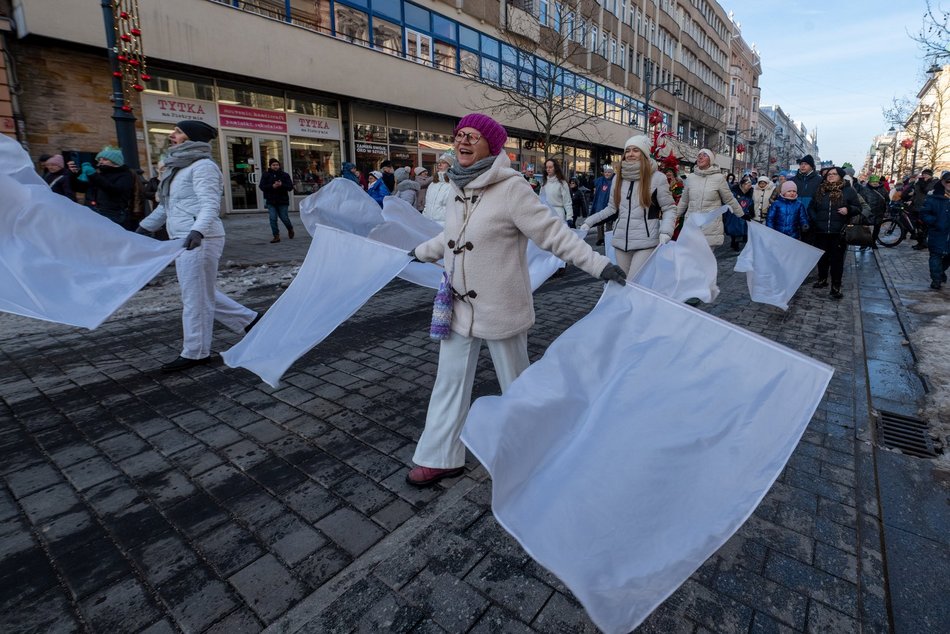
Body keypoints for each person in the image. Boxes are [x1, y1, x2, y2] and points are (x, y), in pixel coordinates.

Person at [406, 113, 625, 487]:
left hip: (501, 307)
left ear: (491, 145)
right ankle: (440, 456)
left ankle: (537, 451)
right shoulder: (459, 188)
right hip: (458, 307)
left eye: (472, 136)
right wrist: (419, 251)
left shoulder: (512, 189)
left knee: (518, 385)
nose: (463, 141)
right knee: (448, 381)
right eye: (459, 135)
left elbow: (555, 235)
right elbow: (450, 238)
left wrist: (599, 265)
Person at [135, 120, 260, 371]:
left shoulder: (203, 166)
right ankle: (250, 320)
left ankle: (195, 352)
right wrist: (143, 228)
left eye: (179, 131)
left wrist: (198, 231)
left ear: (192, 137)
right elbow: (166, 207)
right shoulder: (178, 167)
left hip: (200, 239)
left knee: (195, 297)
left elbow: (210, 204)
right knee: (200, 291)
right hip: (183, 236)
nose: (173, 134)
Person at [581, 135, 676, 276]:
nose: (631, 154)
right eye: (628, 150)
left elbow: (669, 208)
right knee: (623, 283)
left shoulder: (657, 178)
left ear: (643, 154)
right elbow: (612, 208)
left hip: (646, 242)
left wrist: (666, 231)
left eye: (636, 150)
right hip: (621, 241)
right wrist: (589, 222)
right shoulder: (618, 178)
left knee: (633, 283)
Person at [807, 167, 862, 300]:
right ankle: (822, 279)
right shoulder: (820, 190)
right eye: (828, 174)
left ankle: (836, 287)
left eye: (834, 174)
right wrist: (816, 220)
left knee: (837, 260)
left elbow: (858, 208)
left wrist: (848, 209)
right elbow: (811, 208)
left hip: (839, 231)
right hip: (821, 231)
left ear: (840, 176)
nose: (830, 176)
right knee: (822, 257)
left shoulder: (848, 190)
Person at [676, 148, 743, 248]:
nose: (700, 157)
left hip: (710, 228)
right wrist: (675, 216)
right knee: (691, 261)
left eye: (704, 155)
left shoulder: (719, 178)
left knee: (704, 262)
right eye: (699, 155)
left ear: (710, 161)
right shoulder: (691, 178)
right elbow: (684, 200)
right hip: (692, 225)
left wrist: (741, 214)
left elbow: (729, 199)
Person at [70, 146, 135, 228]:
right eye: (100, 159)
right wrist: (74, 174)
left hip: (112, 213)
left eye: (104, 159)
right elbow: (80, 189)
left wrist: (94, 175)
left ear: (115, 162)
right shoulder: (99, 173)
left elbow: (115, 190)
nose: (101, 162)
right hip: (92, 210)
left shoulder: (125, 175)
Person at [921, 172, 950, 290]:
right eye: (948, 181)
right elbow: (924, 213)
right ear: (942, 182)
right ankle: (936, 280)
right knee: (935, 255)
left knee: (948, 257)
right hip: (938, 232)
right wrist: (935, 222)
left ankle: (940, 271)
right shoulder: (933, 197)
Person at [259, 158, 295, 243]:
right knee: (272, 218)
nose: (275, 166)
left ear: (279, 165)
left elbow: (290, 187)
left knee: (284, 218)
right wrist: (272, 186)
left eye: (277, 165)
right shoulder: (266, 175)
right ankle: (276, 236)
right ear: (270, 166)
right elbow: (262, 186)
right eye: (273, 165)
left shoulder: (285, 175)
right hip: (271, 201)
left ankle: (290, 229)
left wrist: (281, 185)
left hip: (282, 200)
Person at [422, 152, 455, 226]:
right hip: (428, 223)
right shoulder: (432, 184)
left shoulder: (453, 185)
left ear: (451, 166)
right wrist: (423, 218)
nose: (439, 165)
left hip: (444, 225)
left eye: (443, 162)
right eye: (438, 163)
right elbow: (427, 205)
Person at [589, 164, 615, 245]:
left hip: (609, 205)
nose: (607, 174)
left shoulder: (614, 181)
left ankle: (608, 239)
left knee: (609, 224)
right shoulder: (600, 181)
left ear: (612, 173)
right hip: (600, 205)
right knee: (600, 224)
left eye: (609, 172)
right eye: (606, 172)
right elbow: (593, 186)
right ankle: (600, 239)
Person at [541, 158, 572, 224]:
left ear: (555, 168)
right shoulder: (544, 183)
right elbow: (540, 199)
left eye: (550, 167)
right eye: (546, 167)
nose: (548, 169)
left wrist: (569, 217)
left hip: (558, 215)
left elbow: (567, 201)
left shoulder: (562, 183)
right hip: (546, 214)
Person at [727, 175, 754, 250]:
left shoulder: (749, 194)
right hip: (734, 214)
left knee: (742, 228)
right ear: (742, 185)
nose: (749, 187)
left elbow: (751, 203)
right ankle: (734, 243)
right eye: (747, 185)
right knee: (735, 228)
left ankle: (738, 242)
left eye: (750, 185)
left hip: (744, 214)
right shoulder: (734, 193)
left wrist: (751, 212)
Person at [910, 168, 935, 249]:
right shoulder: (919, 182)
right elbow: (915, 193)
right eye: (923, 174)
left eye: (926, 175)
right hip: (916, 206)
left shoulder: (933, 182)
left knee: (923, 227)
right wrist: (911, 200)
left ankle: (923, 243)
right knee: (917, 226)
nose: (924, 176)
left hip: (925, 207)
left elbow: (926, 190)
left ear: (930, 176)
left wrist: (923, 182)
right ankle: (920, 242)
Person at [862, 175, 889, 248]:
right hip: (868, 212)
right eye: (873, 182)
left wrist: (886, 210)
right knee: (865, 228)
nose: (875, 183)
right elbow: (861, 201)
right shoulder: (864, 189)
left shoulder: (883, 189)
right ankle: (864, 243)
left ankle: (873, 242)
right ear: (869, 182)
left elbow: (887, 200)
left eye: (876, 182)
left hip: (879, 212)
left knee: (877, 228)